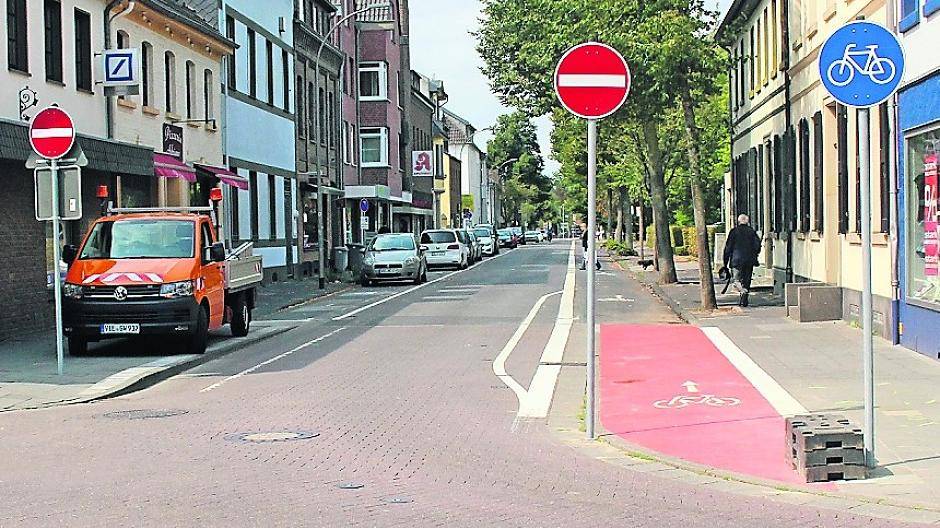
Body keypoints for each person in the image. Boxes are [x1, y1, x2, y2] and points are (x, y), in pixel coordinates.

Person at [723, 214, 762, 307]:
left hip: (736, 260)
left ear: (738, 221)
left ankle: (742, 291)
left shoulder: (734, 232)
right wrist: (754, 254)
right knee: (747, 279)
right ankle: (745, 295)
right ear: (747, 222)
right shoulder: (752, 232)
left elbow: (728, 247)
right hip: (749, 260)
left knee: (736, 280)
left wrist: (725, 261)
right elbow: (757, 245)